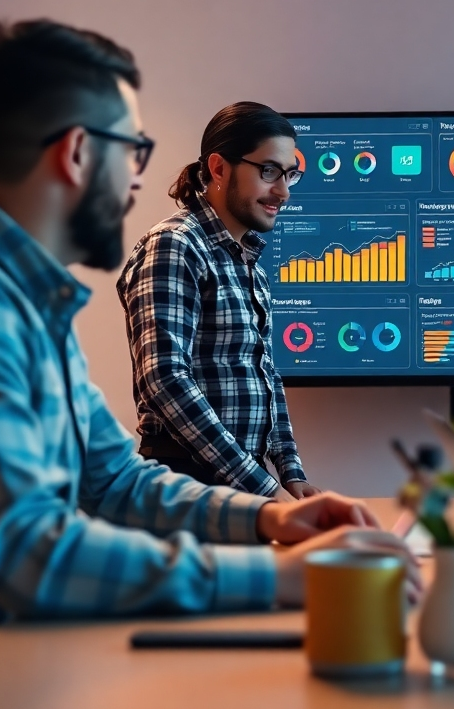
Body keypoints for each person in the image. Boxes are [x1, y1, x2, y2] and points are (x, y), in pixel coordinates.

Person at [0, 20, 415, 654]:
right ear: (77, 152)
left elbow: (112, 481)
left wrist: (274, 513)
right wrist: (278, 574)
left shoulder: (26, 298)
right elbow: (25, 553)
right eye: (132, 151)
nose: (139, 180)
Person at [118, 103, 319, 498]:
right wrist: (267, 491)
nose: (284, 191)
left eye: (290, 174)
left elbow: (264, 375)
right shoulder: (175, 245)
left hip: (239, 482)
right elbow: (165, 380)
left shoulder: (249, 264)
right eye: (268, 171)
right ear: (219, 168)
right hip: (186, 485)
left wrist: (291, 476)